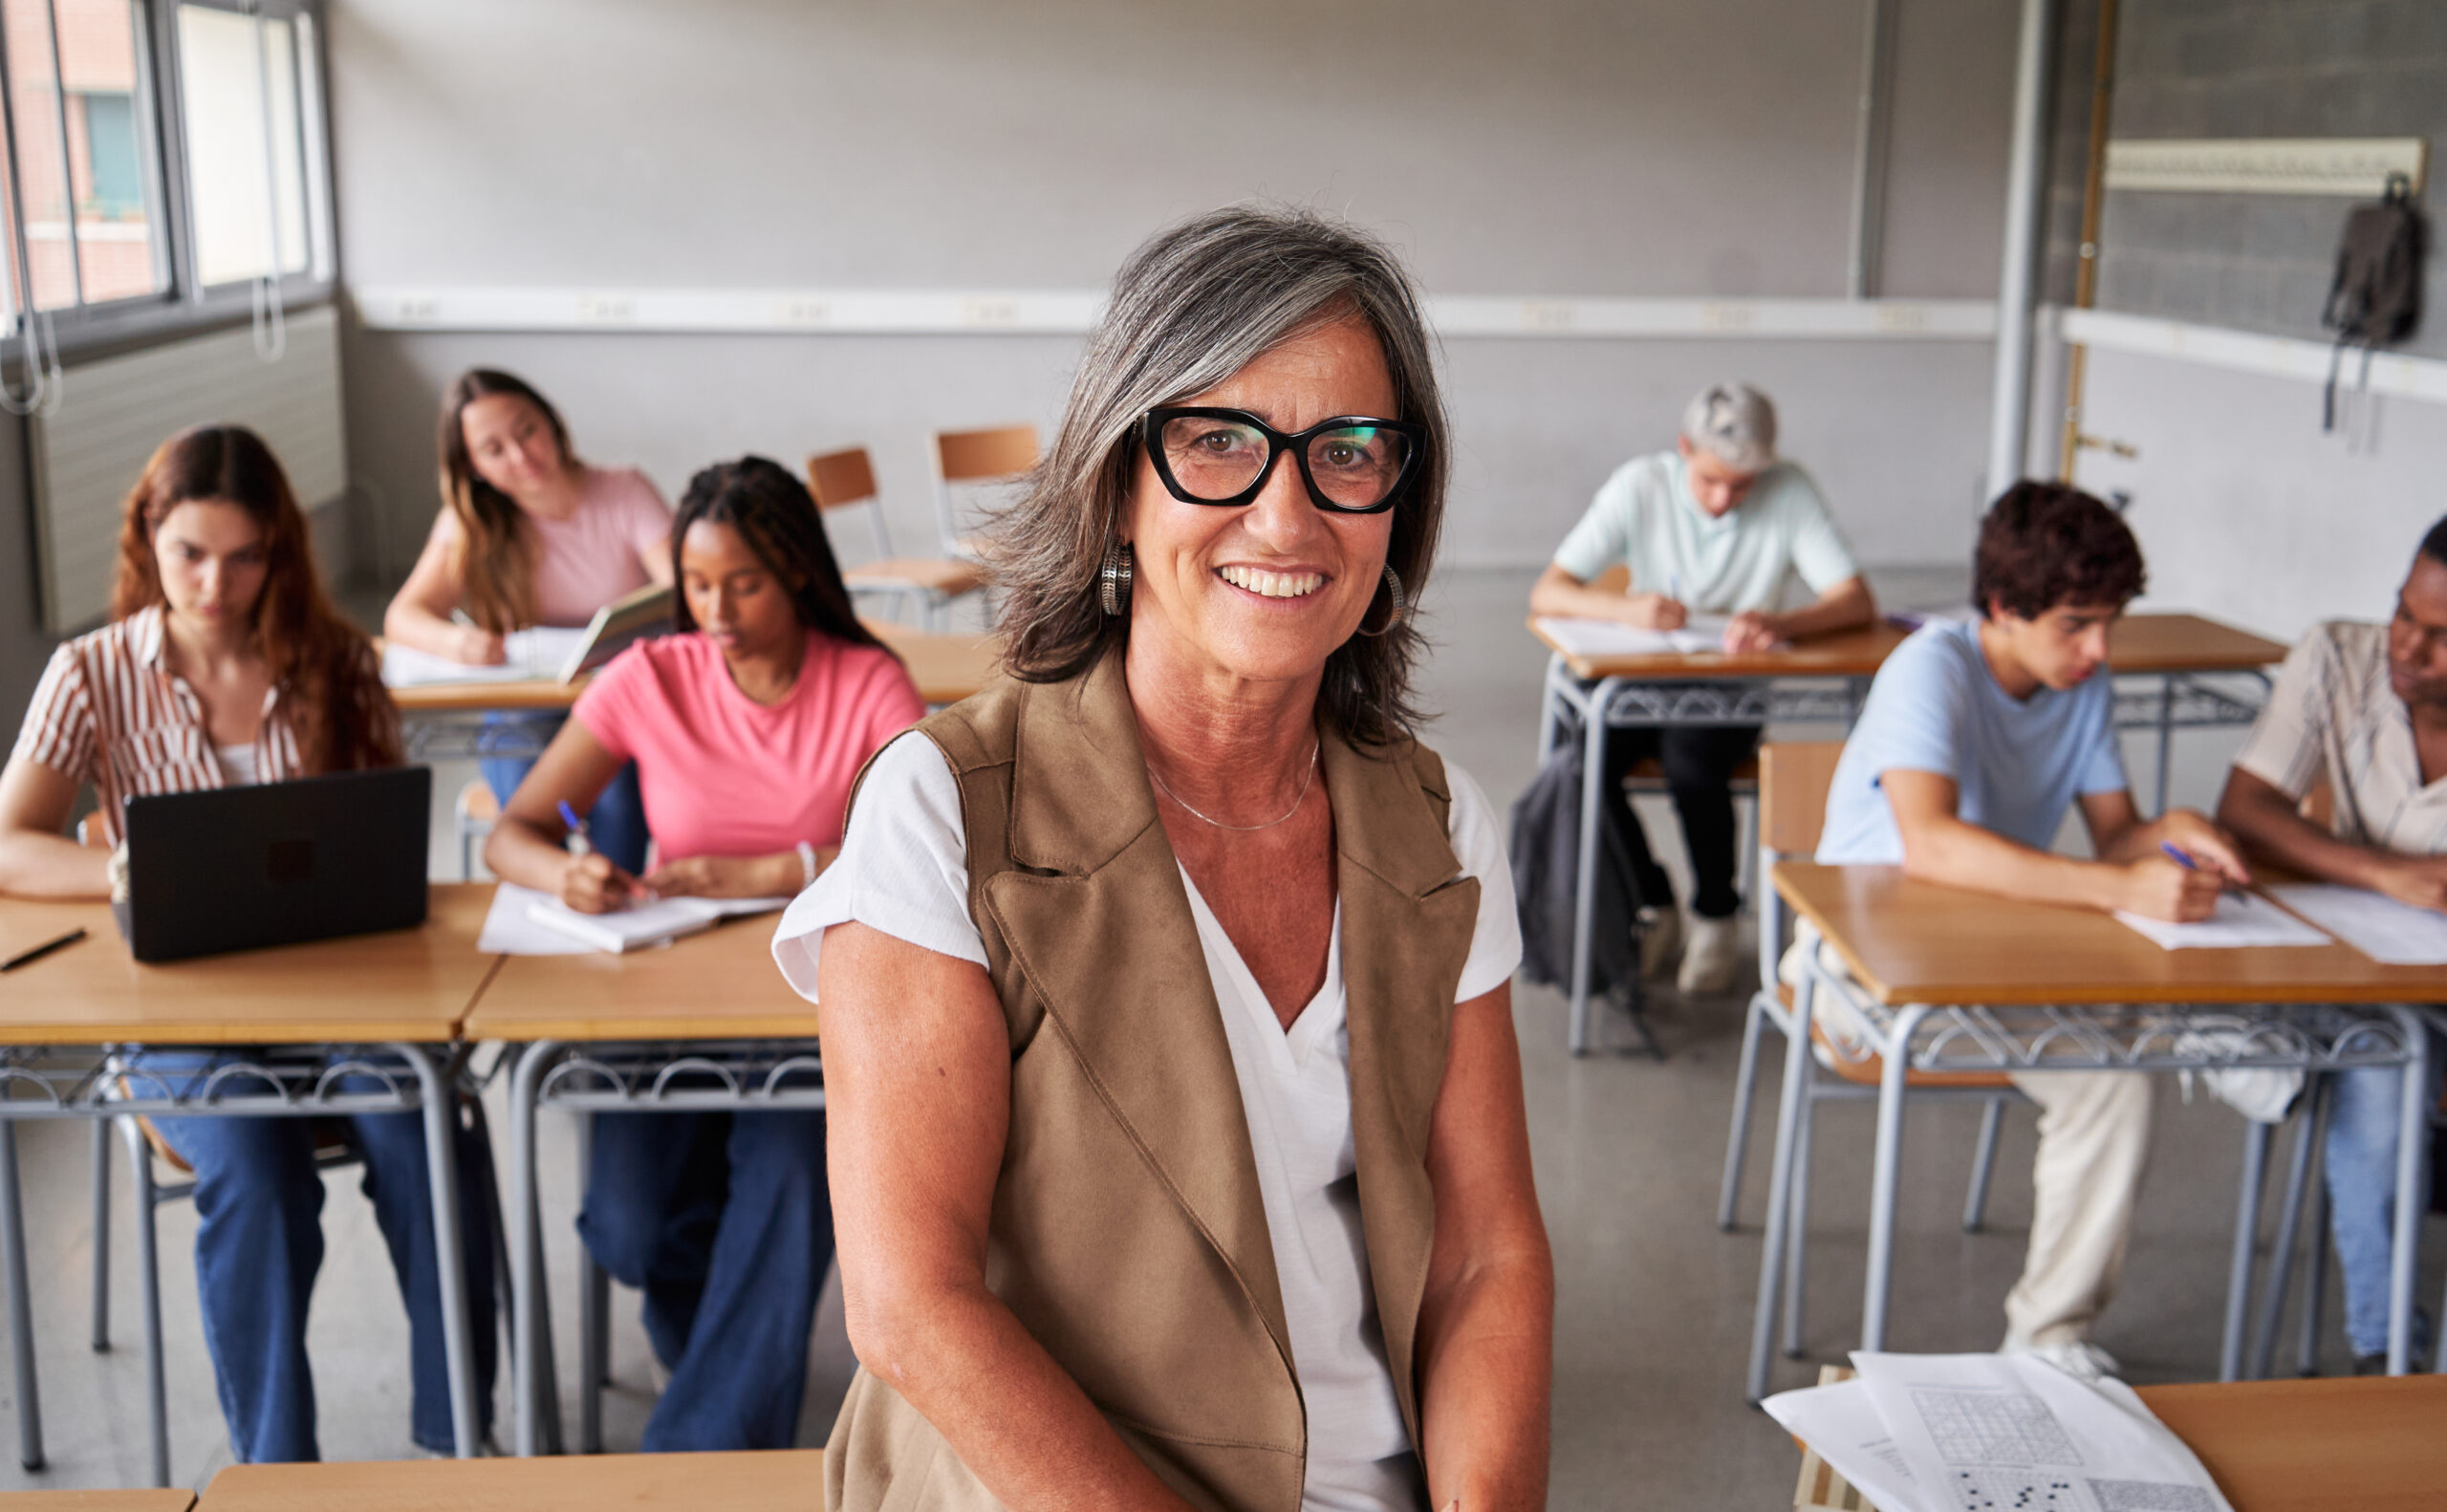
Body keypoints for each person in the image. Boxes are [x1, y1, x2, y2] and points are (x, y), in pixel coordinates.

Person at [778, 207, 1553, 1512]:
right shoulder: (942, 813)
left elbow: (1486, 1255)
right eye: (1218, 443)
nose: (1286, 511)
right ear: (1116, 486)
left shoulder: (1443, 826)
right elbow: (915, 1305)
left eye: (1350, 451)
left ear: (1396, 502)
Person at [0, 425, 496, 1459]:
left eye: (241, 555)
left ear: (278, 552)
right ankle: (277, 1471)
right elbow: (10, 843)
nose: (213, 582)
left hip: (339, 998)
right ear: (149, 536)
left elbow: (376, 839)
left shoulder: (337, 659)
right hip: (176, 1011)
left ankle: (457, 1445)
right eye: (188, 552)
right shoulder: (92, 671)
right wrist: (130, 870)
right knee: (263, 1175)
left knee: (426, 1134)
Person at [485, 456, 922, 1448]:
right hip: (662, 994)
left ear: (799, 572)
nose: (715, 610)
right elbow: (510, 831)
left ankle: (696, 1454)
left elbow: (938, 833)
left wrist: (778, 870)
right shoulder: (649, 675)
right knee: (629, 1225)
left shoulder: (866, 682)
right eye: (695, 585)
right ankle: (705, 1343)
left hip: (803, 1000)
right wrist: (565, 875)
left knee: (790, 1176)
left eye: (745, 582)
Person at [1812, 481, 2249, 1381]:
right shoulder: (1931, 667)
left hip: (1990, 953)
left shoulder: (2076, 680)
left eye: (2110, 624)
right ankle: (2048, 1339)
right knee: (2111, 1074)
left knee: (2126, 1060)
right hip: (1858, 970)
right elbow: (1929, 843)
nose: (2099, 649)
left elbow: (2118, 834)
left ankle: (2050, 1338)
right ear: (2005, 608)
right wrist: (2118, 886)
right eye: (2078, 624)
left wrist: (2171, 831)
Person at [1528, 382, 1876, 993]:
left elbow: (1855, 601)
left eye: (1742, 487)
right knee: (1581, 764)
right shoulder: (1641, 484)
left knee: (1692, 759)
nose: (1724, 500)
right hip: (1644, 673)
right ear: (1684, 449)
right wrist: (1625, 609)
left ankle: (1716, 912)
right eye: (1712, 481)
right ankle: (1654, 901)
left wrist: (1781, 622)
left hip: (1732, 684)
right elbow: (1548, 593)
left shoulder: (1788, 489)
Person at [2215, 518, 2447, 1374]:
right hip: (2362, 980)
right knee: (2387, 1076)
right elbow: (2242, 812)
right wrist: (2389, 875)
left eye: (2441, 637)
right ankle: (2384, 1356)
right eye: (2403, 614)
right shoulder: (2337, 658)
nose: (2409, 648)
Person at [384, 368, 670, 874]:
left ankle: (616, 906)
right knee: (531, 813)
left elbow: (682, 591)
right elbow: (403, 616)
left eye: (527, 431)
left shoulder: (625, 490)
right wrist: (457, 643)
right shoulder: (470, 521)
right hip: (527, 708)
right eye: (494, 450)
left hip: (617, 701)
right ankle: (551, 906)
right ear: (472, 465)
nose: (520, 456)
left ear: (553, 423)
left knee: (619, 807)